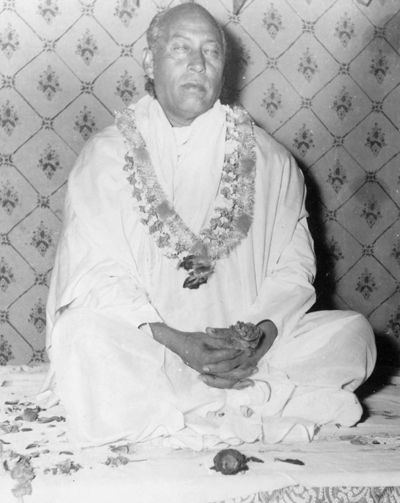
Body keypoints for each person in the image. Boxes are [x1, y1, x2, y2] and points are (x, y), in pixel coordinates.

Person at [43, 3, 376, 449]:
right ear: (149, 60)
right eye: (180, 49)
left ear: (224, 67)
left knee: (353, 333)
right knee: (80, 335)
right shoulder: (105, 156)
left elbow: (293, 273)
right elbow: (93, 274)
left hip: (250, 358)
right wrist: (180, 343)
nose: (197, 64)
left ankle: (201, 405)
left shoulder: (271, 160)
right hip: (153, 352)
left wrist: (259, 338)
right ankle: (237, 407)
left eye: (211, 52)